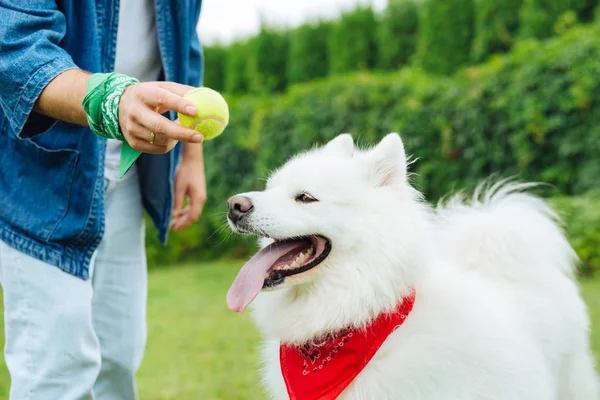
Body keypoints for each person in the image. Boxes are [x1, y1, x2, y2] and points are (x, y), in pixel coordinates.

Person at [0, 0, 207, 398]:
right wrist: (113, 100)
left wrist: (191, 156)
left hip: (126, 174)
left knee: (118, 358)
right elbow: (16, 45)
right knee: (57, 370)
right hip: (43, 179)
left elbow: (185, 44)